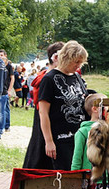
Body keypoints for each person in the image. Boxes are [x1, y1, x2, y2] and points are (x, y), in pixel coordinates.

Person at [25, 41, 88, 172]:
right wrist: (49, 141)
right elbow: (43, 113)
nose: (78, 66)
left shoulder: (76, 77)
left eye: (81, 62)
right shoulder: (49, 79)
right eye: (76, 62)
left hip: (76, 137)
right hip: (59, 138)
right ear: (66, 58)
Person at [71, 93, 107, 171]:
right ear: (95, 109)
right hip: (90, 179)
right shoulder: (82, 132)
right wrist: (73, 178)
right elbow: (77, 159)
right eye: (105, 106)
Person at [0, 49, 14, 133]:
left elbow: (12, 78)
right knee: (5, 108)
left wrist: (9, 90)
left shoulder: (9, 66)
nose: (0, 57)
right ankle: (6, 125)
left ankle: (5, 126)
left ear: (5, 55)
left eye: (1, 55)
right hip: (0, 89)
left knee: (3, 109)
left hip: (6, 89)